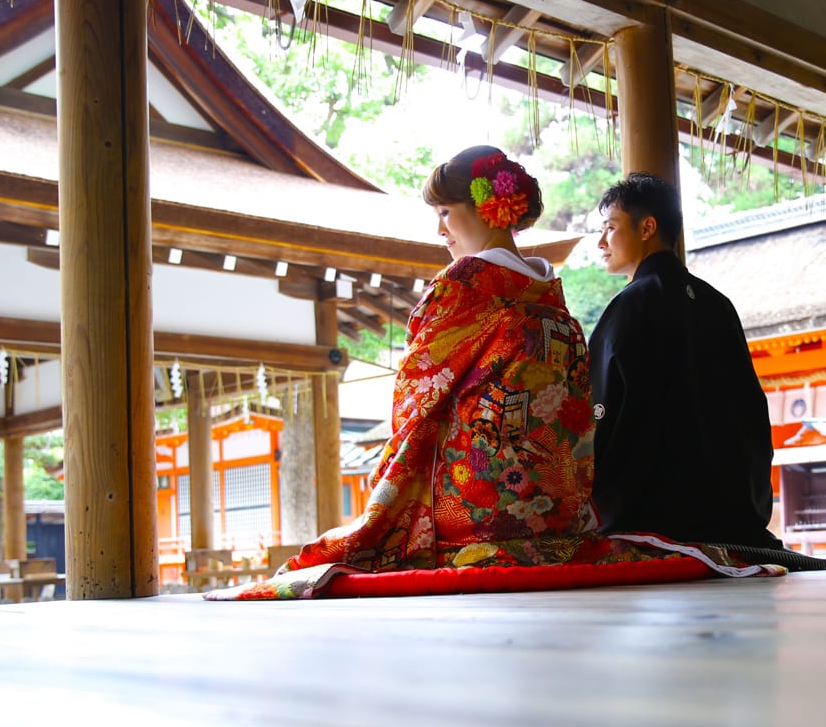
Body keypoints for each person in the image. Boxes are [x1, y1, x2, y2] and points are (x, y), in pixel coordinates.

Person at [282, 145, 597, 573]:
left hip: (483, 505)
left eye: (446, 212)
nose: (440, 230)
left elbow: (418, 386)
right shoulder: (550, 294)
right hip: (557, 500)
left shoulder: (464, 283)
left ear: (487, 207)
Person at [589, 172, 782, 548]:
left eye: (610, 228)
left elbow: (599, 409)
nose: (601, 242)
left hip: (652, 516)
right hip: (732, 515)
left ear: (647, 227)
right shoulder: (718, 304)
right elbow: (752, 413)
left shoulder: (630, 305)